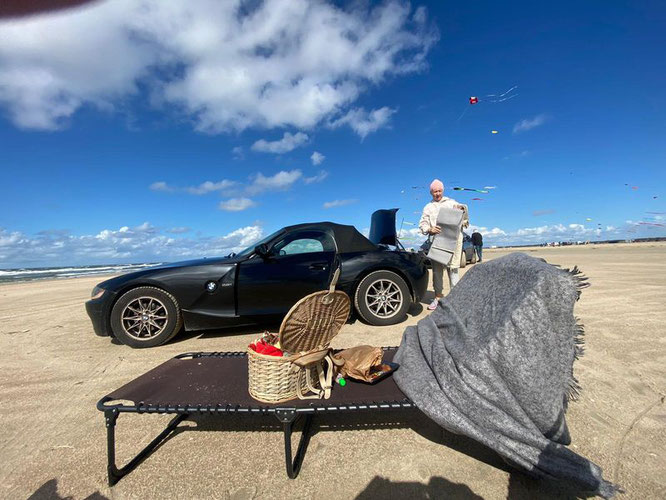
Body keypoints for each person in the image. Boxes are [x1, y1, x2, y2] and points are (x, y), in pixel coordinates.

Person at [419, 179, 469, 310]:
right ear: (431, 192)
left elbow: (464, 217)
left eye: (439, 190)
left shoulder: (452, 202)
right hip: (437, 242)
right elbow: (423, 224)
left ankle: (455, 299)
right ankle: (438, 298)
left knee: (453, 270)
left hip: (452, 242)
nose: (437, 193)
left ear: (443, 190)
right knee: (437, 272)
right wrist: (429, 229)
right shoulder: (428, 207)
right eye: (435, 191)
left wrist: (461, 209)